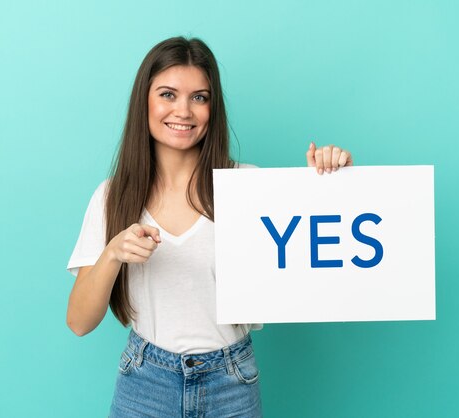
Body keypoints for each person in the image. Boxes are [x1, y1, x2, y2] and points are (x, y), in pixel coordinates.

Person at [65, 36, 353, 418]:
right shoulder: (113, 196)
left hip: (231, 382)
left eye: (199, 97)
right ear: (144, 102)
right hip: (145, 382)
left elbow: (315, 245)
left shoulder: (248, 186)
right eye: (168, 94)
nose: (183, 111)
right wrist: (113, 252)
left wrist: (334, 181)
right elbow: (80, 322)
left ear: (212, 108)